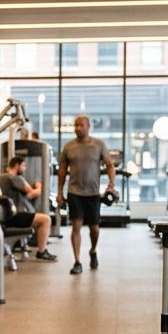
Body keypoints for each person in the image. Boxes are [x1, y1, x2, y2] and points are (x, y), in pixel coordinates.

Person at [57, 114, 115, 274]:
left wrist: (111, 184)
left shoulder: (98, 144)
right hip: (74, 192)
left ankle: (93, 251)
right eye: (76, 125)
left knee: (94, 228)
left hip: (93, 193)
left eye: (81, 125)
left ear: (89, 126)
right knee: (76, 226)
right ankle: (77, 261)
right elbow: (62, 171)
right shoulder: (68, 146)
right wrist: (60, 193)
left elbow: (109, 165)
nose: (78, 128)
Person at [1, 156, 57, 261]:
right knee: (46, 219)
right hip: (14, 215)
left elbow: (27, 195)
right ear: (17, 165)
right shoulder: (13, 177)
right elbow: (32, 192)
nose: (25, 168)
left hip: (7, 214)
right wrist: (39, 186)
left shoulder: (2, 177)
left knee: (38, 217)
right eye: (23, 165)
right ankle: (42, 251)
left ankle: (32, 245)